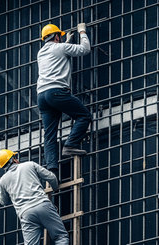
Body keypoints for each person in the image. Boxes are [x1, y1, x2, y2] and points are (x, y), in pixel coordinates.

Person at [36, 23, 92, 178]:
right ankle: (71, 145)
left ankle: (52, 170)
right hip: (56, 92)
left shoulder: (41, 53)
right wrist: (82, 32)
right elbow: (85, 49)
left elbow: (57, 54)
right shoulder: (60, 48)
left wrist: (66, 42)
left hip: (42, 95)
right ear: (56, 36)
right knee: (84, 116)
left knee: (49, 135)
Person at [0, 149, 69, 245]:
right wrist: (55, 187)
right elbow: (51, 177)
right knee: (61, 237)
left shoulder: (3, 180)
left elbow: (3, 201)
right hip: (42, 205)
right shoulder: (29, 165)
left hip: (26, 214)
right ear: (13, 160)